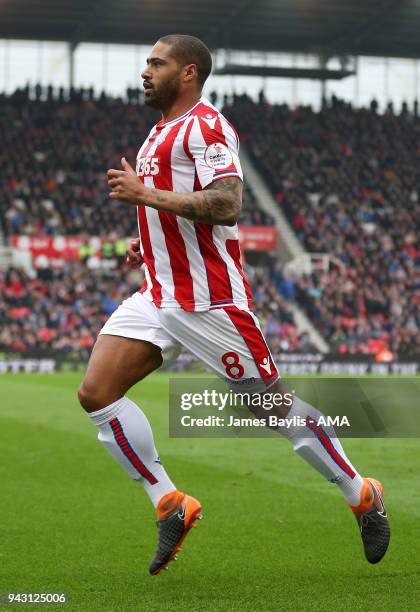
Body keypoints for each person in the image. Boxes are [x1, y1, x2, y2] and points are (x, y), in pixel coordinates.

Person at [77, 34, 390, 575]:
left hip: (210, 301)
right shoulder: (158, 133)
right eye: (147, 62)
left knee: (273, 409)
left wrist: (146, 197)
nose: (146, 70)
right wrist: (147, 239)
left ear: (189, 72)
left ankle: (361, 492)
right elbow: (175, 210)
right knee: (96, 393)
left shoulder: (208, 126)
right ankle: (171, 504)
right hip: (159, 292)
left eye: (158, 62)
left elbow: (227, 203)